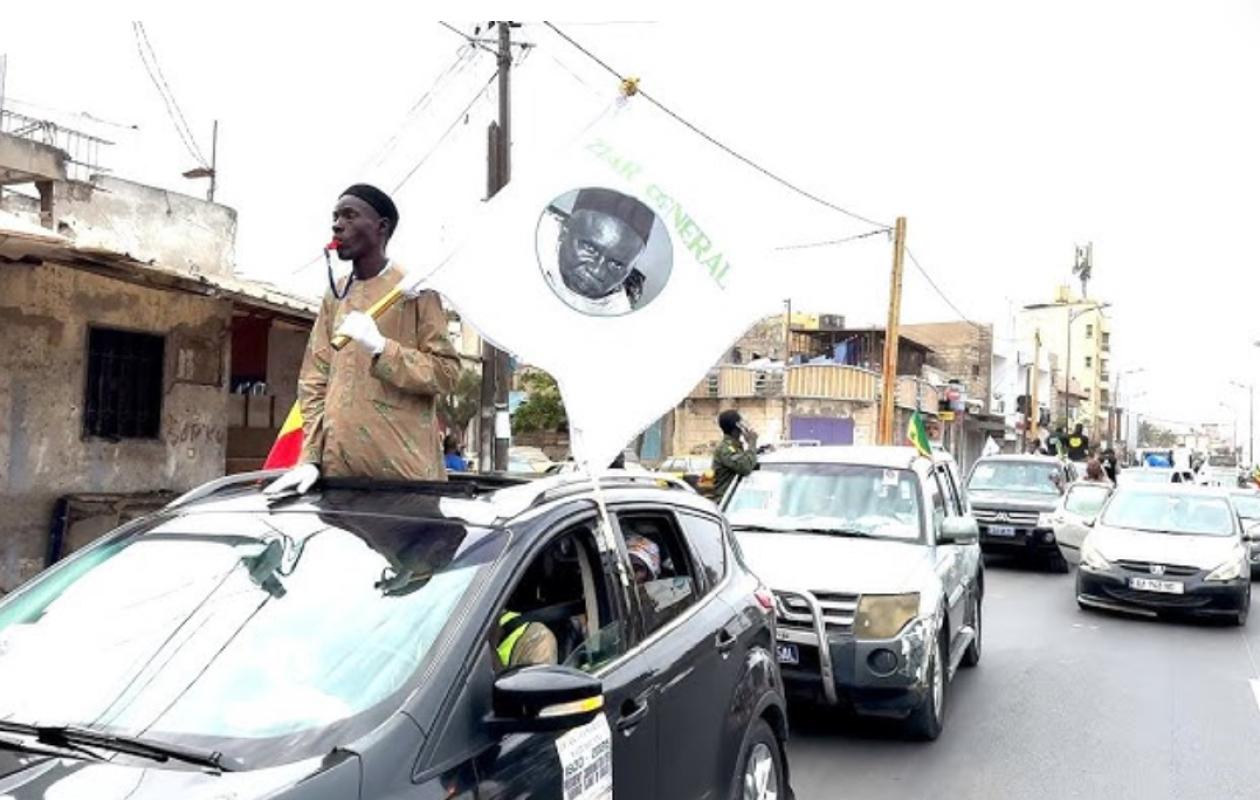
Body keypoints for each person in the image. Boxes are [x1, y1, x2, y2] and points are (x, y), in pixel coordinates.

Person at [267, 185, 461, 494]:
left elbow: (446, 374)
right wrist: (311, 457)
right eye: (335, 216)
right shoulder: (336, 295)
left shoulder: (416, 291)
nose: (337, 224)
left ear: (381, 227)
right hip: (338, 478)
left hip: (404, 481)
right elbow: (314, 380)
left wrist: (383, 349)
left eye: (350, 215)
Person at [544, 188, 655, 316]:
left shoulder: (617, 313)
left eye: (617, 264)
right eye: (590, 249)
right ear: (564, 231)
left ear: (630, 270)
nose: (597, 271)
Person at [712, 409, 758, 500]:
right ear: (737, 427)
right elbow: (745, 467)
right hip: (725, 502)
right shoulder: (725, 449)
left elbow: (749, 460)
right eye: (742, 424)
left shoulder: (735, 446)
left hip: (736, 499)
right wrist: (752, 443)